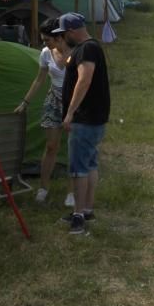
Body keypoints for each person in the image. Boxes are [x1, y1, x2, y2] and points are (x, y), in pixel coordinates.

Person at [54, 12, 110, 236]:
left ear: (70, 31)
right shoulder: (91, 47)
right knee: (90, 164)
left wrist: (70, 112)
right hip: (95, 116)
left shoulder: (86, 50)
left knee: (78, 168)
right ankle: (86, 210)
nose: (63, 38)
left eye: (63, 33)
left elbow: (84, 79)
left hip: (85, 118)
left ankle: (78, 217)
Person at [15, 19, 74, 207]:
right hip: (53, 101)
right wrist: (25, 102)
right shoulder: (46, 54)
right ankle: (43, 188)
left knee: (73, 147)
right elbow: (39, 80)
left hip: (74, 104)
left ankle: (71, 192)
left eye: (47, 39)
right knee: (51, 146)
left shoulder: (76, 52)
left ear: (59, 37)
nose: (44, 43)